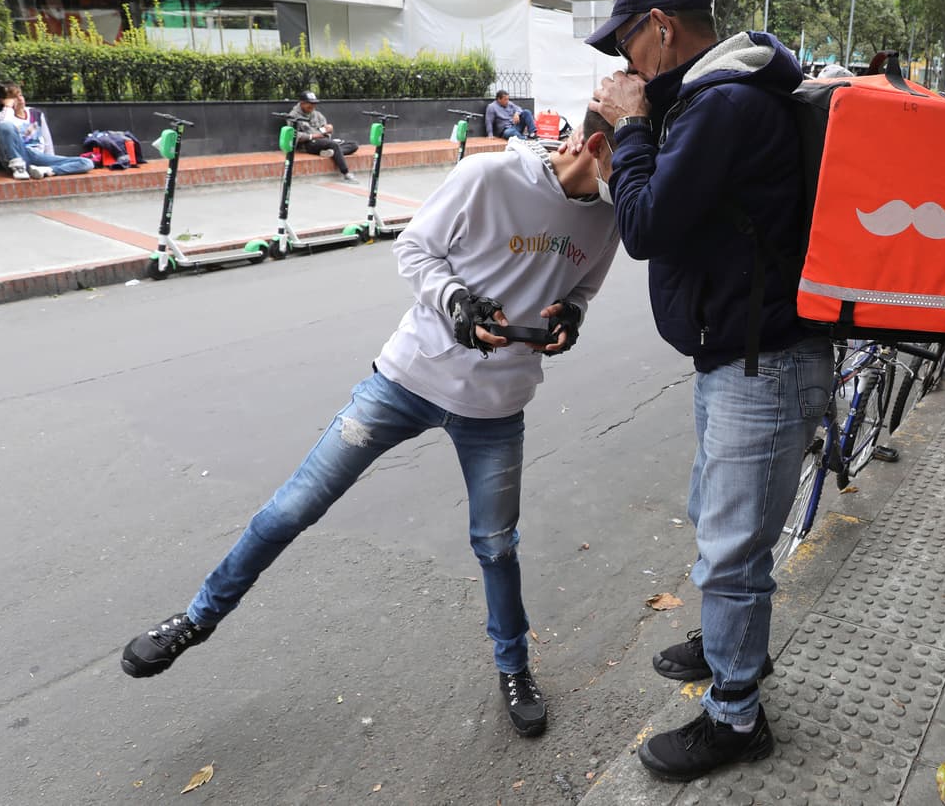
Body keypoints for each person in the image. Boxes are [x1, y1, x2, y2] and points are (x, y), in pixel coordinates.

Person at [119, 107, 621, 739]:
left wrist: (569, 317)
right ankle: (196, 618)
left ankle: (514, 667)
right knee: (291, 508)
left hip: (497, 405)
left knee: (496, 547)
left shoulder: (610, 215)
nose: (641, 185)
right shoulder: (488, 177)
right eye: (631, 166)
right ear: (596, 146)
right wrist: (458, 303)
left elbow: (584, 289)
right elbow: (415, 248)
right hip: (406, 381)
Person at [584, 0, 833, 782]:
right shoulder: (724, 92)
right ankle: (729, 642)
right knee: (725, 523)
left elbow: (648, 222)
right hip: (745, 355)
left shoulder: (722, 103)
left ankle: (735, 715)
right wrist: (644, 117)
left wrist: (626, 129)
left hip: (762, 363)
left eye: (627, 44)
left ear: (660, 26)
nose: (624, 67)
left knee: (732, 551)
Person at [0, 82, 94, 180]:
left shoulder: (35, 113)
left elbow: (46, 138)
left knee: (86, 163)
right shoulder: (0, 117)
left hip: (39, 157)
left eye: (20, 95)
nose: (19, 99)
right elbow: (4, 128)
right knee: (5, 126)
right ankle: (19, 168)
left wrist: (50, 158)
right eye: (13, 97)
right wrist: (8, 107)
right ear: (4, 100)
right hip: (18, 156)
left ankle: (46, 171)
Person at [288, 91, 360, 183]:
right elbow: (294, 135)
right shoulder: (293, 116)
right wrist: (314, 136)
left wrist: (328, 129)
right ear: (302, 103)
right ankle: (346, 173)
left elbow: (324, 128)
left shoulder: (317, 114)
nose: (312, 107)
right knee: (333, 144)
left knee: (354, 145)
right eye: (310, 104)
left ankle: (329, 153)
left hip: (323, 141)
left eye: (314, 104)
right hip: (308, 144)